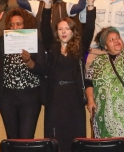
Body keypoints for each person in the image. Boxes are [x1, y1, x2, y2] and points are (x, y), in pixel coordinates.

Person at [0, 5, 45, 139]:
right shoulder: (5, 40)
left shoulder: (35, 41)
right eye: (12, 25)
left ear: (26, 25)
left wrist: (29, 61)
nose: (15, 27)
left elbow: (42, 69)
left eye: (19, 24)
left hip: (30, 97)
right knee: (12, 138)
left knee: (26, 138)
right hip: (7, 97)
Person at [87, 25, 124, 152]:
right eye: (111, 39)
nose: (116, 41)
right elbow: (88, 82)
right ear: (105, 46)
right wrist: (90, 100)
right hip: (104, 118)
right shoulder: (97, 62)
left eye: (118, 37)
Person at [42, 17, 88, 152]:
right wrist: (47, 6)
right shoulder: (52, 48)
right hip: (55, 95)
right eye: (60, 29)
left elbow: (90, 29)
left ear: (73, 31)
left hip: (74, 95)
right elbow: (45, 28)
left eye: (67, 29)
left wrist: (90, 7)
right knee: (56, 134)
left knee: (75, 133)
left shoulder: (79, 48)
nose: (63, 32)